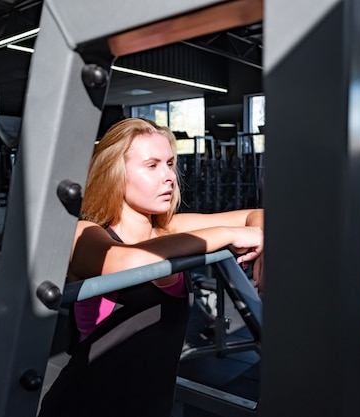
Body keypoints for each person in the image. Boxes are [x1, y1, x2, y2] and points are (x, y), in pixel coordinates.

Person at [38, 117, 264, 417]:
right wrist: (228, 234)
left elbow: (259, 215)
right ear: (115, 175)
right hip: (83, 407)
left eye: (170, 163)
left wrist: (264, 253)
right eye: (152, 165)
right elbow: (126, 261)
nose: (169, 176)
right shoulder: (87, 233)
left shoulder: (170, 231)